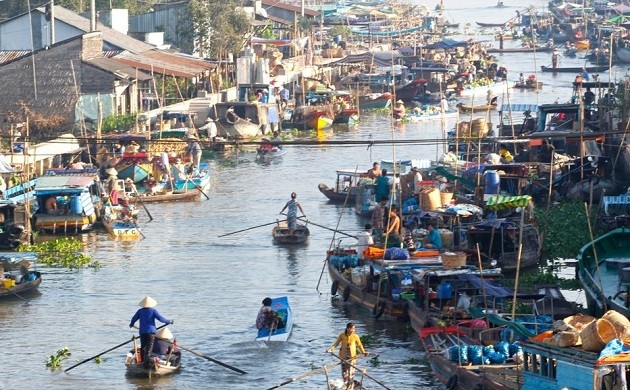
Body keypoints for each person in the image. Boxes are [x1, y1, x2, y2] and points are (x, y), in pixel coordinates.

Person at [129, 296, 173, 366]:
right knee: (149, 348)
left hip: (142, 332)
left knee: (143, 347)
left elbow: (133, 319)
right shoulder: (153, 311)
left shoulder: (140, 311)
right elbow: (161, 319)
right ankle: (147, 363)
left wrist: (131, 324)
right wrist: (169, 321)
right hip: (151, 332)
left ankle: (143, 362)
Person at [327, 322, 369, 388]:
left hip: (352, 358)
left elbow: (359, 345)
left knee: (350, 374)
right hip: (343, 357)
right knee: (344, 373)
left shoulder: (355, 336)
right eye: (350, 329)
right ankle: (347, 385)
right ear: (347, 328)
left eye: (353, 329)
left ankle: (350, 387)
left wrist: (364, 352)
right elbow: (336, 343)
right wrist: (331, 349)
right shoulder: (342, 335)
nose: (352, 330)